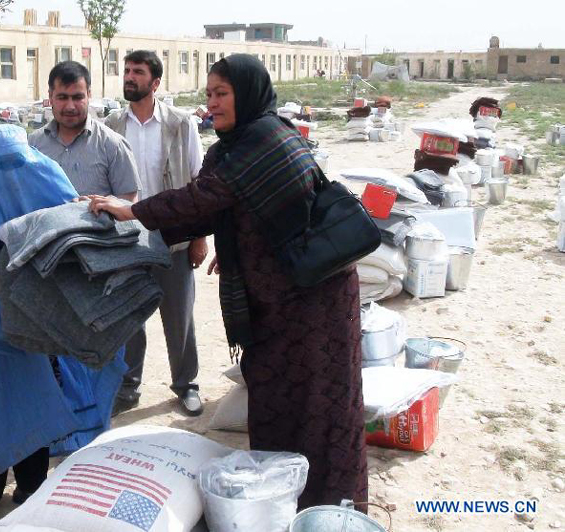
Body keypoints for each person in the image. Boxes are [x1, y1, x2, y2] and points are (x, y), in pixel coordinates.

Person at [86, 54, 368, 509]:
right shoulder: (236, 146)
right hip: (277, 302)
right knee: (277, 405)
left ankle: (329, 508)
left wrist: (131, 211)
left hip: (313, 304)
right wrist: (233, 247)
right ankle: (281, 502)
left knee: (319, 410)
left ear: (248, 93)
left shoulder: (264, 140)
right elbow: (223, 209)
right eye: (209, 94)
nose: (211, 104)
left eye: (221, 94)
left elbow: (201, 200)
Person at [0, 125, 126, 532]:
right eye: (4, 165)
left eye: (20, 162)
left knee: (36, 403)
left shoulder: (39, 181)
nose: (13, 174)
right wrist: (13, 319)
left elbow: (68, 218)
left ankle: (31, 489)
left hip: (30, 336)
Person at [104, 50, 207, 417]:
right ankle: (128, 387)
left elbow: (198, 183)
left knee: (179, 316)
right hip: (128, 239)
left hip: (173, 238)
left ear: (156, 82)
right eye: (127, 70)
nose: (129, 77)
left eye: (138, 72)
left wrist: (199, 237)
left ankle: (186, 384)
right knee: (129, 318)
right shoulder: (111, 125)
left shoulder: (181, 125)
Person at [29, 61, 140, 202]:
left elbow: (129, 203)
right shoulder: (33, 145)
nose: (70, 106)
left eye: (77, 97)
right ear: (50, 97)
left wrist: (100, 208)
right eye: (62, 97)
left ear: (89, 95)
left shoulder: (114, 146)